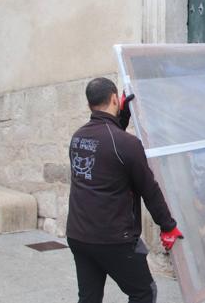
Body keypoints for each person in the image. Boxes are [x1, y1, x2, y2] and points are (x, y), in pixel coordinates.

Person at [67, 77, 183, 303]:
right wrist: (168, 226)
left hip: (78, 235)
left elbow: (107, 148)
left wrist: (122, 116)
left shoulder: (77, 137)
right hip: (113, 239)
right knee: (143, 293)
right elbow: (149, 189)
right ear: (113, 99)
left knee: (88, 298)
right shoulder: (127, 144)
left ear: (89, 103)